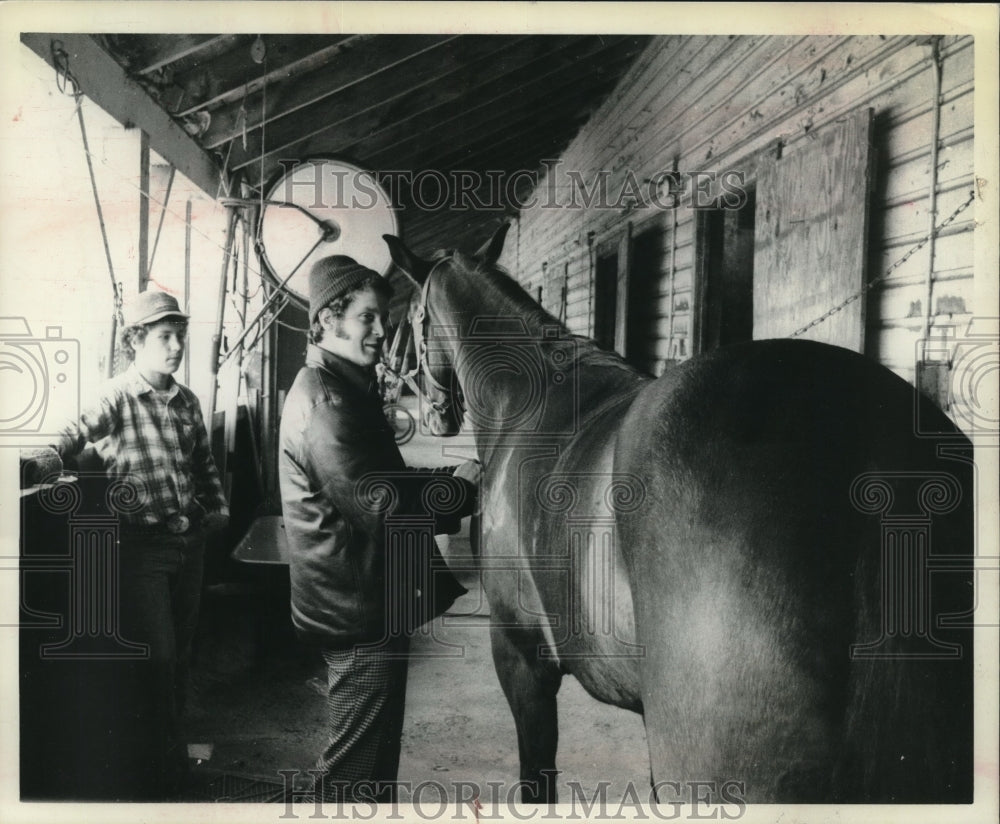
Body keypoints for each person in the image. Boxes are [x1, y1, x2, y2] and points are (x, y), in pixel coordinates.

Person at [279, 255, 479, 804]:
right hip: (359, 610)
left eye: (383, 318)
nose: (380, 330)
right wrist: (460, 490)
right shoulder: (328, 404)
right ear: (327, 319)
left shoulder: (339, 386)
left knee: (366, 763)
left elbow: (378, 477)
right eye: (368, 317)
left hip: (362, 598)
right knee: (354, 775)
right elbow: (384, 507)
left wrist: (443, 477)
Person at [46, 289, 229, 799]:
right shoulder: (115, 397)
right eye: (164, 337)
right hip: (138, 549)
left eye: (179, 337)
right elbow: (69, 432)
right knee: (156, 658)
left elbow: (204, 465)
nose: (175, 347)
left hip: (187, 545)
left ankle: (170, 765)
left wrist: (217, 513)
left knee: (180, 657)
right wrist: (37, 461)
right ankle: (156, 775)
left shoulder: (188, 401)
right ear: (136, 342)